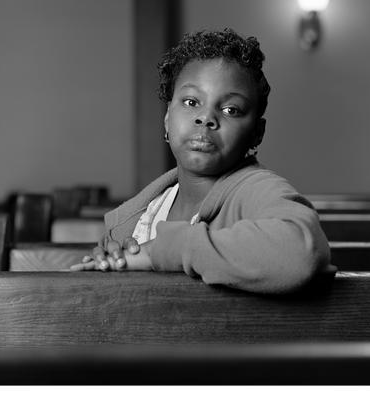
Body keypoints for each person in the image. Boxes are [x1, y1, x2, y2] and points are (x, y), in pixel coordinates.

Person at [70, 28, 333, 294]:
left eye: (231, 109)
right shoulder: (135, 219)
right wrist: (109, 266)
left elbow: (300, 252)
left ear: (257, 133)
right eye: (191, 101)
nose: (206, 118)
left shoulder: (258, 190)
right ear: (166, 120)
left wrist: (161, 252)